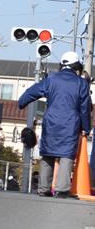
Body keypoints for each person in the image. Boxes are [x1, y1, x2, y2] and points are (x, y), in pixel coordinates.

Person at [18, 51, 91, 198]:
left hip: (51, 121)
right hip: (71, 122)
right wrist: (86, 127)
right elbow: (85, 108)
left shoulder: (51, 79)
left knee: (47, 152)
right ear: (76, 65)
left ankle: (43, 189)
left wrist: (21, 102)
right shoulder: (81, 83)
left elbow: (32, 92)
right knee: (66, 154)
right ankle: (62, 189)